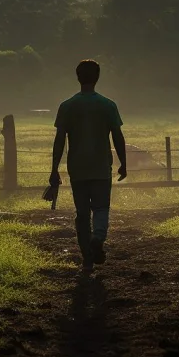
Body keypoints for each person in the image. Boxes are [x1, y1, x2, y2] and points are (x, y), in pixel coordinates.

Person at [50, 60, 127, 273]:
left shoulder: (67, 106)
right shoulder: (107, 105)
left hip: (78, 169)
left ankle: (87, 260)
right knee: (101, 208)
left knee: (82, 214)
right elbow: (118, 137)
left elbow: (59, 140)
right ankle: (98, 237)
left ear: (77, 77)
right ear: (97, 77)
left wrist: (54, 168)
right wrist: (123, 163)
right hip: (101, 168)